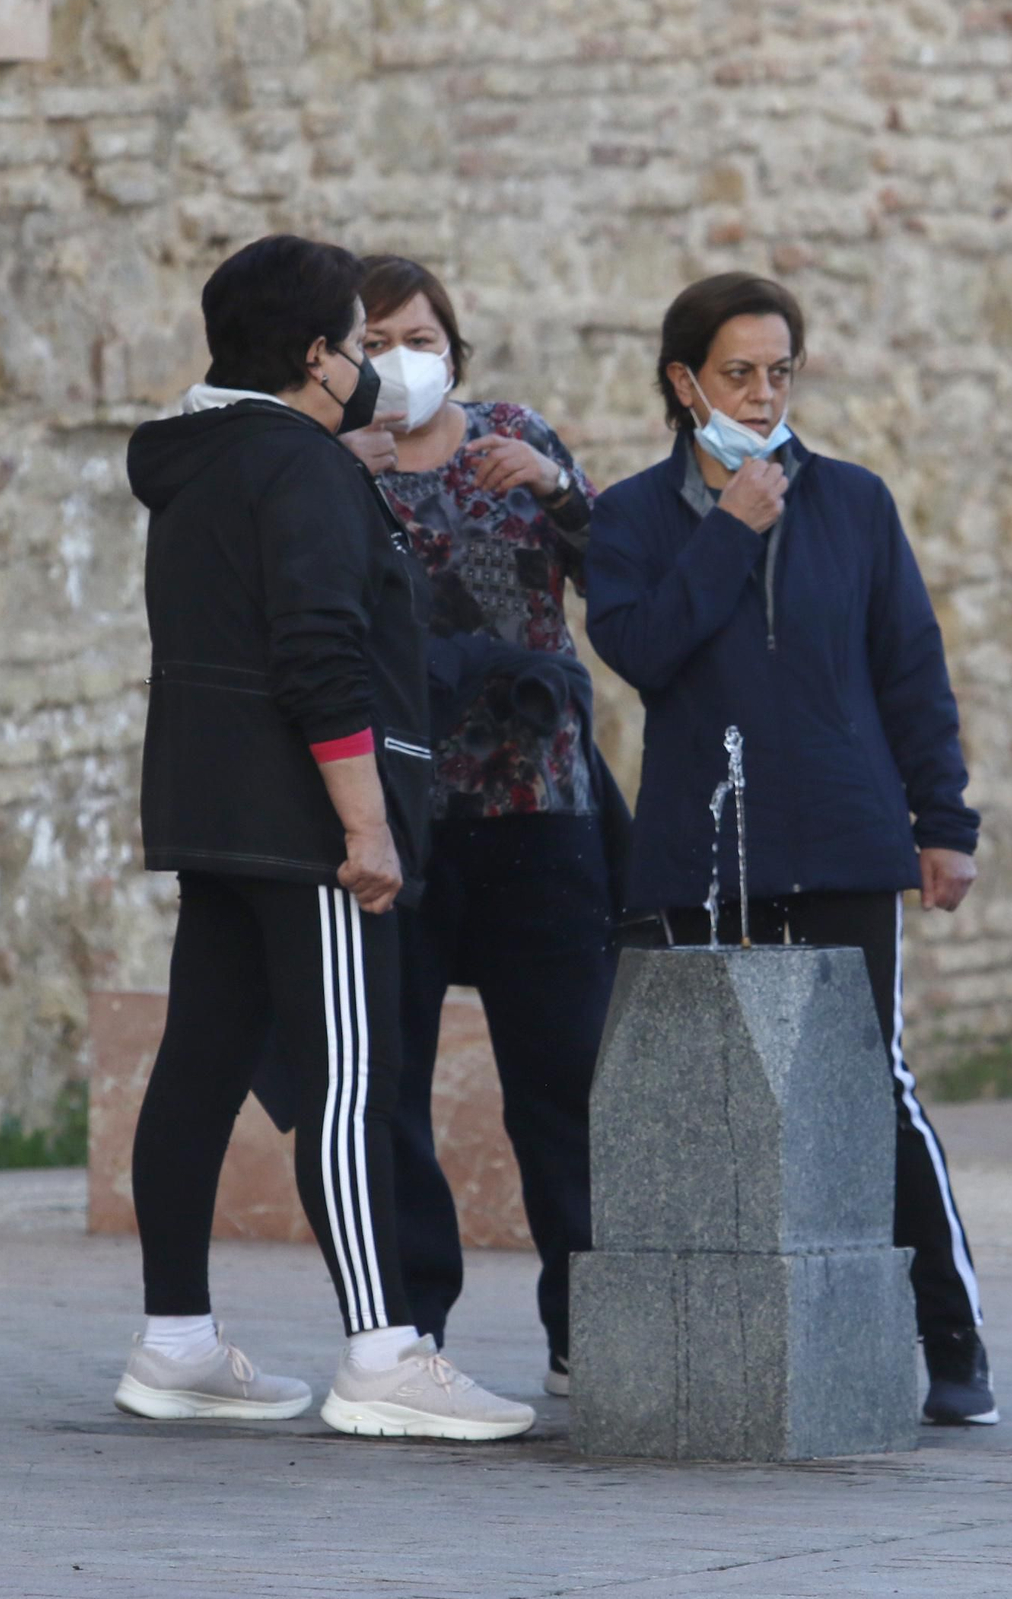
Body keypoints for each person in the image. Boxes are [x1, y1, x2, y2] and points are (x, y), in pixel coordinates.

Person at [118, 234, 534, 1442]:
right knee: (352, 1083)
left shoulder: (208, 458)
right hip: (308, 826)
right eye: (359, 343)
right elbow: (316, 654)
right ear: (315, 357)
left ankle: (175, 1342)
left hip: (215, 812)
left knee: (198, 1066)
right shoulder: (298, 468)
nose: (374, 365)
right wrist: (366, 824)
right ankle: (383, 1352)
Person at [584, 272, 996, 1427]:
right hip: (700, 851)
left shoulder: (854, 501)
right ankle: (722, 1352)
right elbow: (642, 650)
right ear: (684, 382)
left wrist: (943, 822)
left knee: (873, 1088)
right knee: (707, 1093)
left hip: (844, 840)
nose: (764, 395)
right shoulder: (630, 517)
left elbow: (910, 667)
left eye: (780, 371)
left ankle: (950, 1335)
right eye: (738, 374)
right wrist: (728, 531)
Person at [337, 256, 621, 1398]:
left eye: (423, 337)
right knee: (392, 1083)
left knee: (562, 1081)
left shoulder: (515, 436)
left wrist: (558, 488)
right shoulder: (334, 464)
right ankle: (410, 1330)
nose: (404, 358)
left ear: (455, 347)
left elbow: (619, 580)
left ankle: (587, 1330)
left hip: (537, 810)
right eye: (377, 341)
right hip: (398, 820)